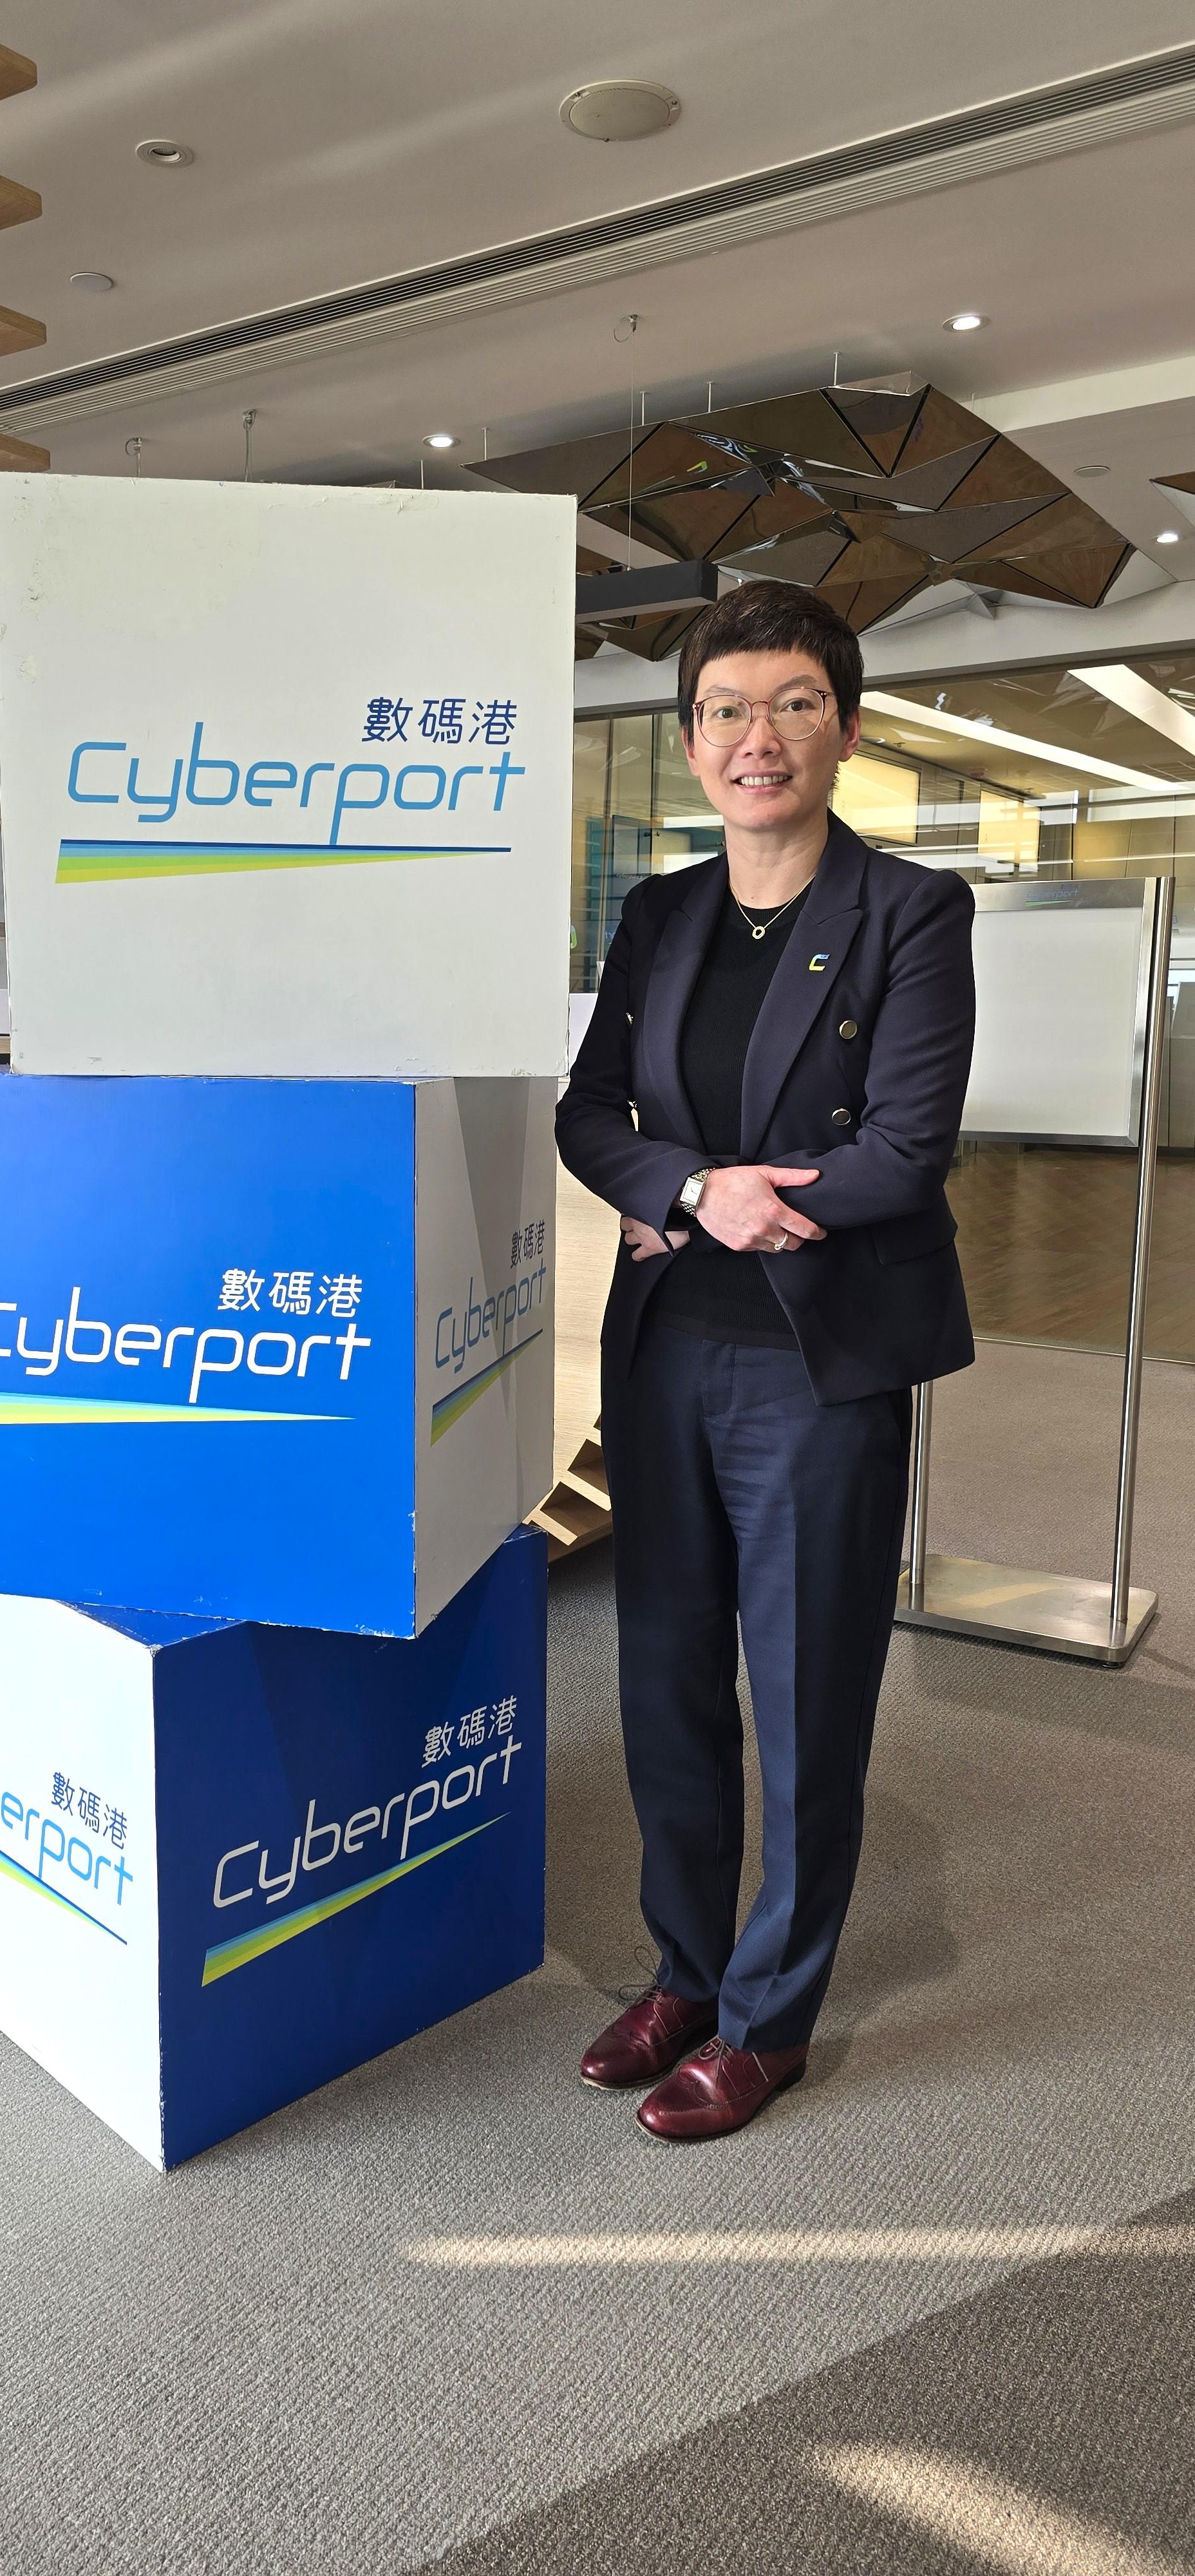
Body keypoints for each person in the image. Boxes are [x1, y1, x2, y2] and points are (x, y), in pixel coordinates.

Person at [557, 578, 976, 2143]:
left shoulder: (910, 913)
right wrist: (686, 1185)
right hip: (665, 1353)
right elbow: (588, 1112)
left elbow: (905, 1149)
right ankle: (683, 1969)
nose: (758, 737)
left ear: (844, 730)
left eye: (794, 704)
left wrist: (720, 1200)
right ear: (690, 741)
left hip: (817, 1367)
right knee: (667, 1677)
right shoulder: (660, 914)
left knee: (805, 1698)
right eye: (726, 709)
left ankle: (768, 2015)